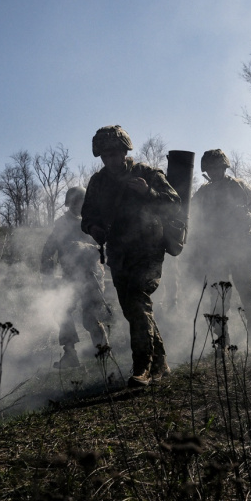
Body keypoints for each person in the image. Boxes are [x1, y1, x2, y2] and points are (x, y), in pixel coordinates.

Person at [81, 125, 180, 388]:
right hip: (118, 254)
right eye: (105, 155)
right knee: (134, 309)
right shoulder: (98, 182)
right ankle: (161, 364)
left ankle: (142, 367)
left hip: (148, 249)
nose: (111, 159)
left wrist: (148, 193)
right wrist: (94, 228)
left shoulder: (146, 174)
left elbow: (174, 203)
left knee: (137, 302)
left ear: (126, 151)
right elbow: (87, 216)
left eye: (115, 153)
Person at [186, 149, 251, 344]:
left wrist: (247, 217)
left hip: (241, 249)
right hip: (214, 251)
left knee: (248, 293)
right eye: (210, 168)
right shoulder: (202, 192)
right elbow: (192, 219)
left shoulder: (240, 187)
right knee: (218, 298)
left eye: (217, 167)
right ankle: (222, 340)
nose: (214, 171)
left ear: (224, 167)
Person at [40, 186, 110, 369]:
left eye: (80, 200)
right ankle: (70, 354)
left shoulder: (93, 222)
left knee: (90, 317)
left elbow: (104, 250)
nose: (77, 204)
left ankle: (103, 353)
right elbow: (48, 251)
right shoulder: (61, 224)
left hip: (92, 276)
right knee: (62, 310)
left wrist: (83, 248)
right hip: (70, 276)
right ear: (68, 202)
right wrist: (47, 275)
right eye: (74, 201)